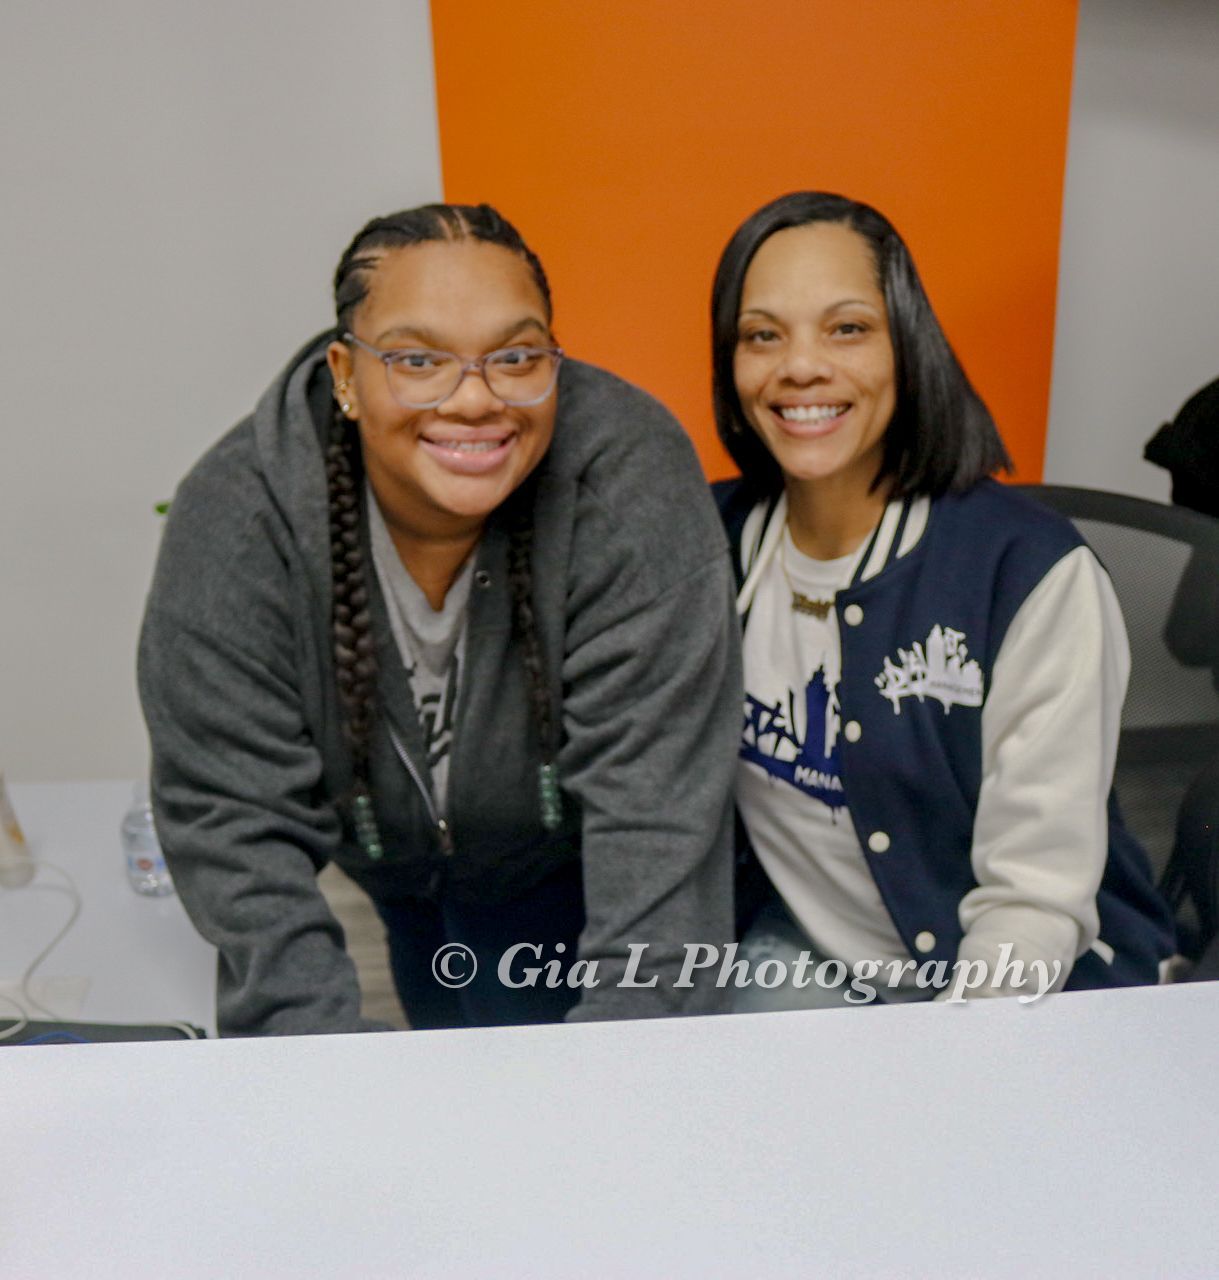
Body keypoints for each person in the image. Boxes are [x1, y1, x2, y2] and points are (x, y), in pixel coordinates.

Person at [139, 202, 740, 1035]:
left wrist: (625, 1092)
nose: (474, 399)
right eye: (418, 359)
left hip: (575, 874)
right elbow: (235, 834)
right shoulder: (241, 518)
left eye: (515, 355)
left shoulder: (626, 481)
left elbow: (660, 824)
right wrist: (311, 1079)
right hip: (392, 876)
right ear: (345, 376)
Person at [709, 191, 1175, 1010]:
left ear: (906, 346)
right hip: (820, 957)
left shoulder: (1026, 570)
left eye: (846, 328)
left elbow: (1032, 902)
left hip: (1034, 981)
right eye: (761, 335)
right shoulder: (706, 543)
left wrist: (950, 1072)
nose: (799, 366)